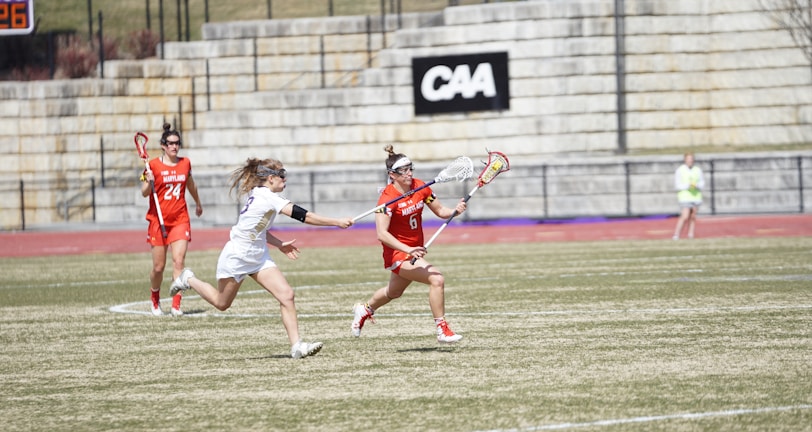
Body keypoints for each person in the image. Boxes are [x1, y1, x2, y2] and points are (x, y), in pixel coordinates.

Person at [169, 157, 354, 359]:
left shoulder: (262, 195)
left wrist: (279, 244)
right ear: (271, 178)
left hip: (258, 256)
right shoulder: (267, 196)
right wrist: (336, 222)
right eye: (282, 175)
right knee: (221, 303)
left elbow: (258, 229)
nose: (285, 179)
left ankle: (297, 346)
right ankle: (188, 278)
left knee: (286, 295)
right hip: (237, 256)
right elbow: (304, 216)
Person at [351, 145, 468, 344]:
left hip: (414, 252)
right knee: (437, 279)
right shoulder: (387, 199)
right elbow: (382, 234)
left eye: (410, 168)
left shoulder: (420, 187)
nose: (409, 173)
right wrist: (408, 249)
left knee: (393, 292)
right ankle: (442, 330)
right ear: (392, 175)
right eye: (403, 170)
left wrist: (455, 210)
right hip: (398, 254)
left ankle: (365, 309)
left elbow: (440, 211)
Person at [140, 122, 203, 317]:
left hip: (180, 219)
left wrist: (198, 203)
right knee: (159, 267)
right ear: (163, 145)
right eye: (170, 143)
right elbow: (144, 193)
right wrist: (148, 181)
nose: (174, 147)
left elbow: (191, 185)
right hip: (158, 221)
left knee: (178, 261)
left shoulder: (185, 163)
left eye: (177, 143)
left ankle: (176, 305)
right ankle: (155, 298)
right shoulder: (152, 166)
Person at [672, 152, 704, 240]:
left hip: (695, 196)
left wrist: (696, 185)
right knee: (685, 216)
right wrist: (688, 185)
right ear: (685, 160)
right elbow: (677, 185)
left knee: (693, 216)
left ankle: (690, 234)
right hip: (685, 197)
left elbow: (702, 183)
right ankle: (676, 234)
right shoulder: (680, 170)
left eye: (691, 159)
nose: (690, 161)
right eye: (688, 159)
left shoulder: (697, 170)